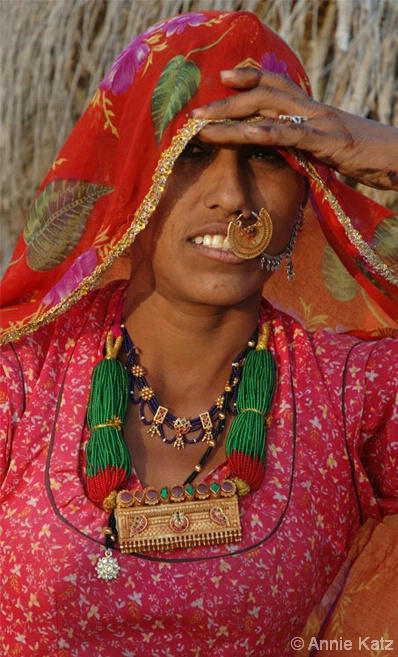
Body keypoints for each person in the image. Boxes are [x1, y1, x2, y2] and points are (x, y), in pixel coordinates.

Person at [1, 10, 397, 657]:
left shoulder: (355, 391)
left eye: (268, 157)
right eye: (190, 152)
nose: (231, 195)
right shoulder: (22, 373)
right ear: (130, 179)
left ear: (306, 193)